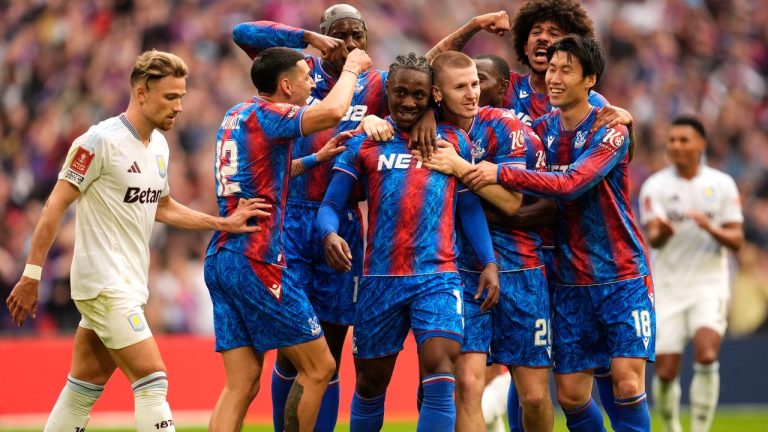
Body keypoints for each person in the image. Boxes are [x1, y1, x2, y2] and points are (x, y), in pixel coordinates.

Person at [5, 50, 271, 432]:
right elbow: (54, 205)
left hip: (130, 283)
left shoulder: (159, 147)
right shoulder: (98, 141)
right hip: (102, 282)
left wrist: (222, 222)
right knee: (153, 378)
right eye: (170, 97)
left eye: (181, 96)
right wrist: (31, 275)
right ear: (141, 93)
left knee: (83, 387)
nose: (179, 106)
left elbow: (162, 207)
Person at [426, 3, 637, 428]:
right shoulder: (504, 89)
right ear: (522, 43)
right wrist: (471, 28)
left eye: (556, 32)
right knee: (504, 381)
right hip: (503, 250)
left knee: (587, 376)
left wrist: (629, 123)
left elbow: (616, 150)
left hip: (568, 252)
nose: (544, 38)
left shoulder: (590, 100)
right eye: (536, 31)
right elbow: (434, 76)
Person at [231, 7, 433, 430]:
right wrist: (310, 39)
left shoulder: (376, 83)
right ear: (325, 38)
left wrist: (429, 112)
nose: (350, 43)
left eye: (357, 34)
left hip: (341, 219)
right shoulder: (300, 76)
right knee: (295, 346)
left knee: (333, 344)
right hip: (290, 221)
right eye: (338, 35)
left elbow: (425, 82)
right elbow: (243, 33)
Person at [316, 53, 499, 432]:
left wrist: (489, 261)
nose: (409, 102)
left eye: (419, 95)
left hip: (438, 276)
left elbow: (468, 208)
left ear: (431, 96)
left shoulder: (453, 141)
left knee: (440, 368)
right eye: (401, 93)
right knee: (370, 383)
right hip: (380, 279)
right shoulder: (366, 142)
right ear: (388, 92)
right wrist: (329, 233)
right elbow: (331, 204)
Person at [203, 46, 371, 431]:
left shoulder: (236, 114)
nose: (311, 81)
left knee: (241, 383)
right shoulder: (270, 114)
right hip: (256, 257)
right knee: (320, 366)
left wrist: (317, 157)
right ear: (284, 85)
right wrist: (351, 68)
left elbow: (267, 175)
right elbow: (331, 111)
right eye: (304, 75)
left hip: (222, 257)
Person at [421, 51, 553, 432]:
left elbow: (512, 201)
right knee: (467, 385)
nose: (472, 93)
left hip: (522, 268)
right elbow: (404, 78)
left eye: (475, 84)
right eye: (461, 86)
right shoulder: (432, 131)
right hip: (462, 270)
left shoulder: (504, 125)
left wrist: (460, 169)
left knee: (533, 395)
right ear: (438, 93)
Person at [639, 116, 744, 432]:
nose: (676, 146)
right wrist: (663, 233)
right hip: (668, 285)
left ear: (701, 145)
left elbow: (737, 239)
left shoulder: (721, 184)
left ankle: (700, 428)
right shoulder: (655, 186)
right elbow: (653, 235)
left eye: (684, 140)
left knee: (707, 352)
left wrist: (710, 228)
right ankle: (672, 425)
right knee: (667, 371)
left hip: (708, 283)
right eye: (671, 140)